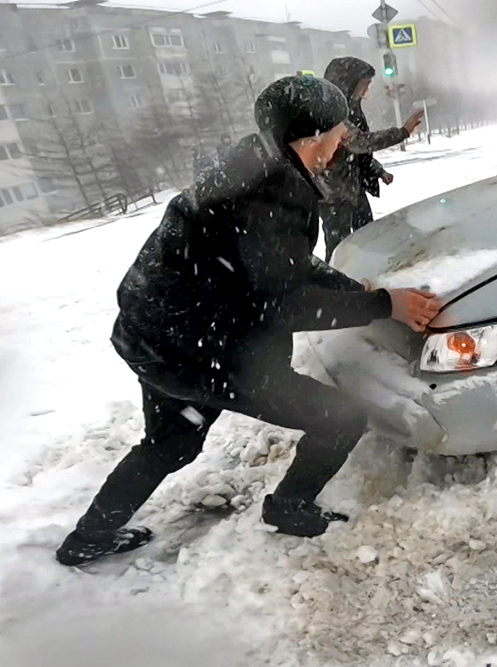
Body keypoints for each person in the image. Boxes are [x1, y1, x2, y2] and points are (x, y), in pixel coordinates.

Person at [55, 75, 442, 567]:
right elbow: (280, 303)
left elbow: (283, 266)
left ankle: (89, 537)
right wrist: (385, 305)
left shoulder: (250, 165)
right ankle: (290, 507)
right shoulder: (272, 195)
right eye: (339, 129)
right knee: (340, 418)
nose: (344, 137)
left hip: (154, 336)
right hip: (207, 350)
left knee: (170, 442)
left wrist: (350, 289)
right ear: (309, 138)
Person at [320, 56, 425, 263]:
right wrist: (402, 132)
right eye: (364, 84)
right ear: (347, 83)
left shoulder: (352, 107)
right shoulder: (330, 112)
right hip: (332, 194)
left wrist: (377, 170)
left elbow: (356, 154)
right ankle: (336, 286)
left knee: (367, 236)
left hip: (353, 188)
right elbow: (359, 142)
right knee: (339, 247)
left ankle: (366, 274)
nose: (366, 90)